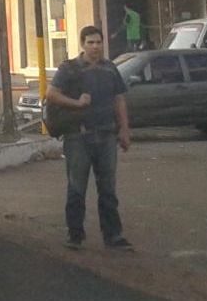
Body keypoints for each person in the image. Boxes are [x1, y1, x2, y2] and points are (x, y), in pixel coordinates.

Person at [45, 25, 132, 251]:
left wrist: (124, 130)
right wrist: (77, 103)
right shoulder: (70, 69)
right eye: (90, 42)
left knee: (108, 189)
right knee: (76, 188)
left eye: (98, 42)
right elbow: (51, 94)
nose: (95, 47)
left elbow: (119, 99)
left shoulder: (110, 68)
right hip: (78, 137)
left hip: (106, 136)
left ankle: (113, 236)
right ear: (82, 44)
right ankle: (75, 235)